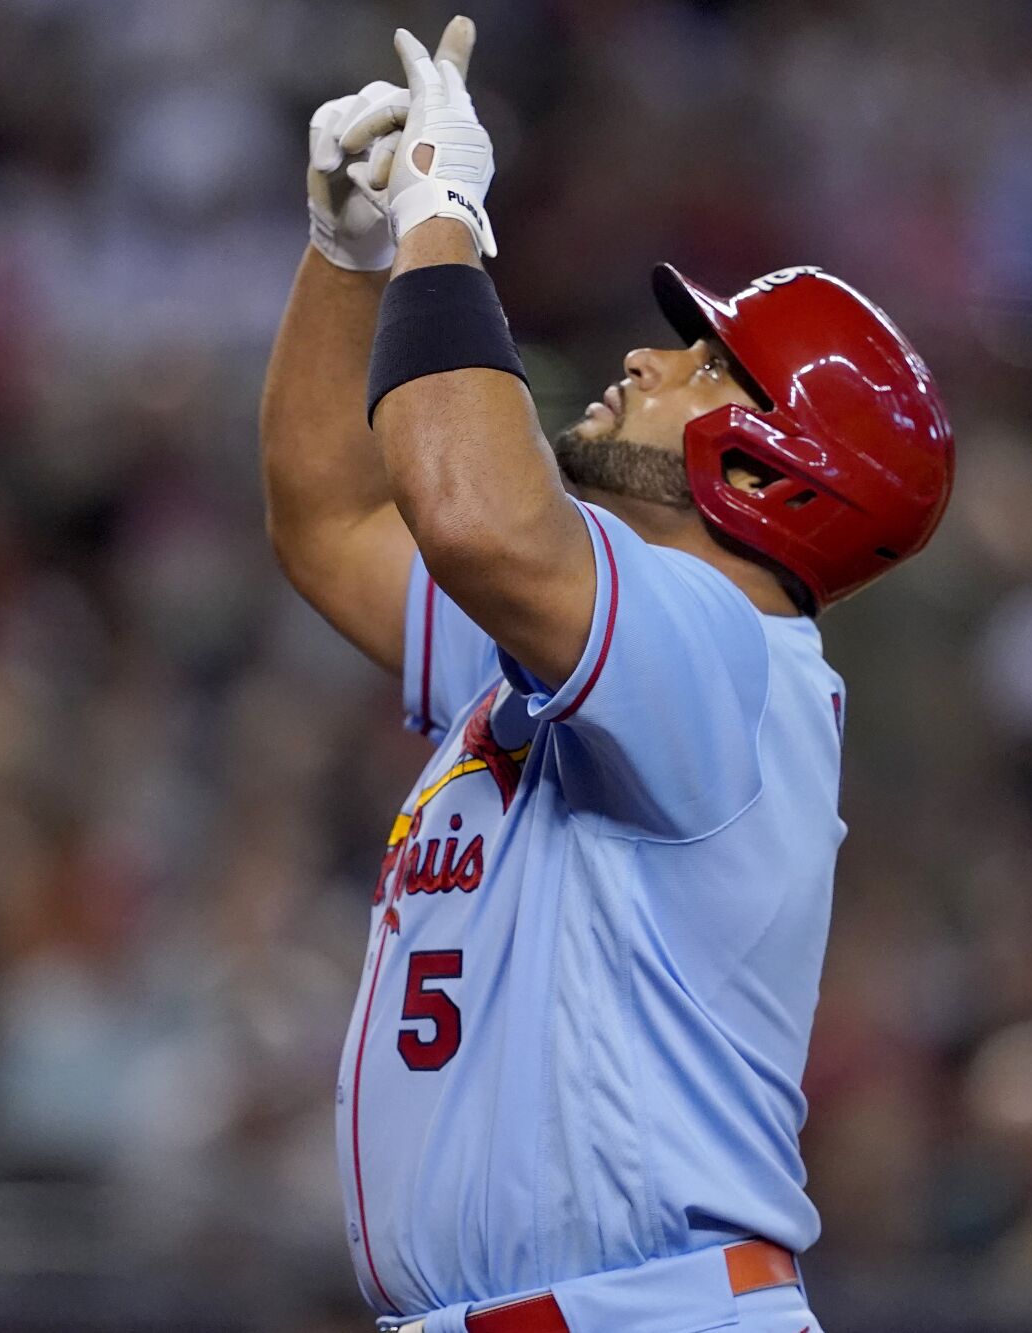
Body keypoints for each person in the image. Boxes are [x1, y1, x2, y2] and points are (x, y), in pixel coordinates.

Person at [259, 17, 952, 1332]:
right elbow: (330, 524)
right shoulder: (587, 650)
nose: (647, 359)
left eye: (707, 365)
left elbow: (464, 509)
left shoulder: (724, 657)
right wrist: (349, 255)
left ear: (768, 468)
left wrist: (443, 214)